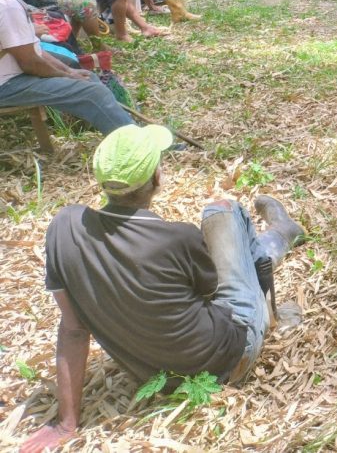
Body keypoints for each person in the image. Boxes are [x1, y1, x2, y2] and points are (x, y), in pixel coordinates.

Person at [19, 124, 304, 453]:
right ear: (156, 178)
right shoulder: (177, 237)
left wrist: (66, 423)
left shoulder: (63, 227)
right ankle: (277, 270)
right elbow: (212, 294)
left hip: (156, 377)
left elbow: (72, 330)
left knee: (229, 253)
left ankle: (278, 237)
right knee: (222, 210)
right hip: (231, 353)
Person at [0, 0, 133, 136]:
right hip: (7, 85)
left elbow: (35, 50)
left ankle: (119, 124)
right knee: (93, 93)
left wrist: (69, 71)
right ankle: (136, 142)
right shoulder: (7, 4)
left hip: (11, 77)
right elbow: (29, 62)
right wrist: (67, 75)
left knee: (87, 76)